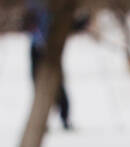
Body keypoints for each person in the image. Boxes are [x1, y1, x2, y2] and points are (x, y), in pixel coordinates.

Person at [25, 2, 89, 131]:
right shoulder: (36, 8)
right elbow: (28, 24)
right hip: (37, 51)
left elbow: (66, 25)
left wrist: (82, 22)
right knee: (41, 87)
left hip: (50, 52)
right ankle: (42, 122)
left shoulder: (56, 9)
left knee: (57, 86)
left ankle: (63, 119)